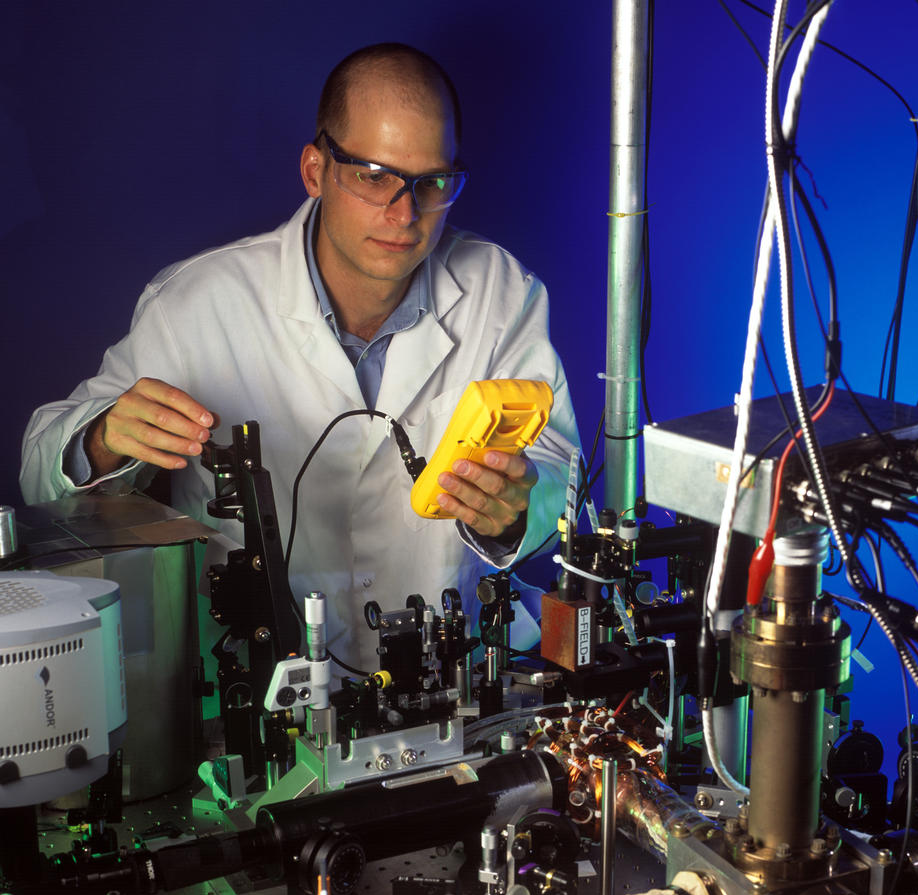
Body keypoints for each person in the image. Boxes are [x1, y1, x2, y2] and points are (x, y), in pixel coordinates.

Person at [20, 43, 579, 674]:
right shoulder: (196, 303)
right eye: (373, 175)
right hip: (261, 695)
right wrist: (101, 439)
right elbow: (40, 475)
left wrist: (515, 512)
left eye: (432, 183)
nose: (405, 212)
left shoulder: (502, 293)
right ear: (315, 170)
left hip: (456, 678)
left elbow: (564, 486)